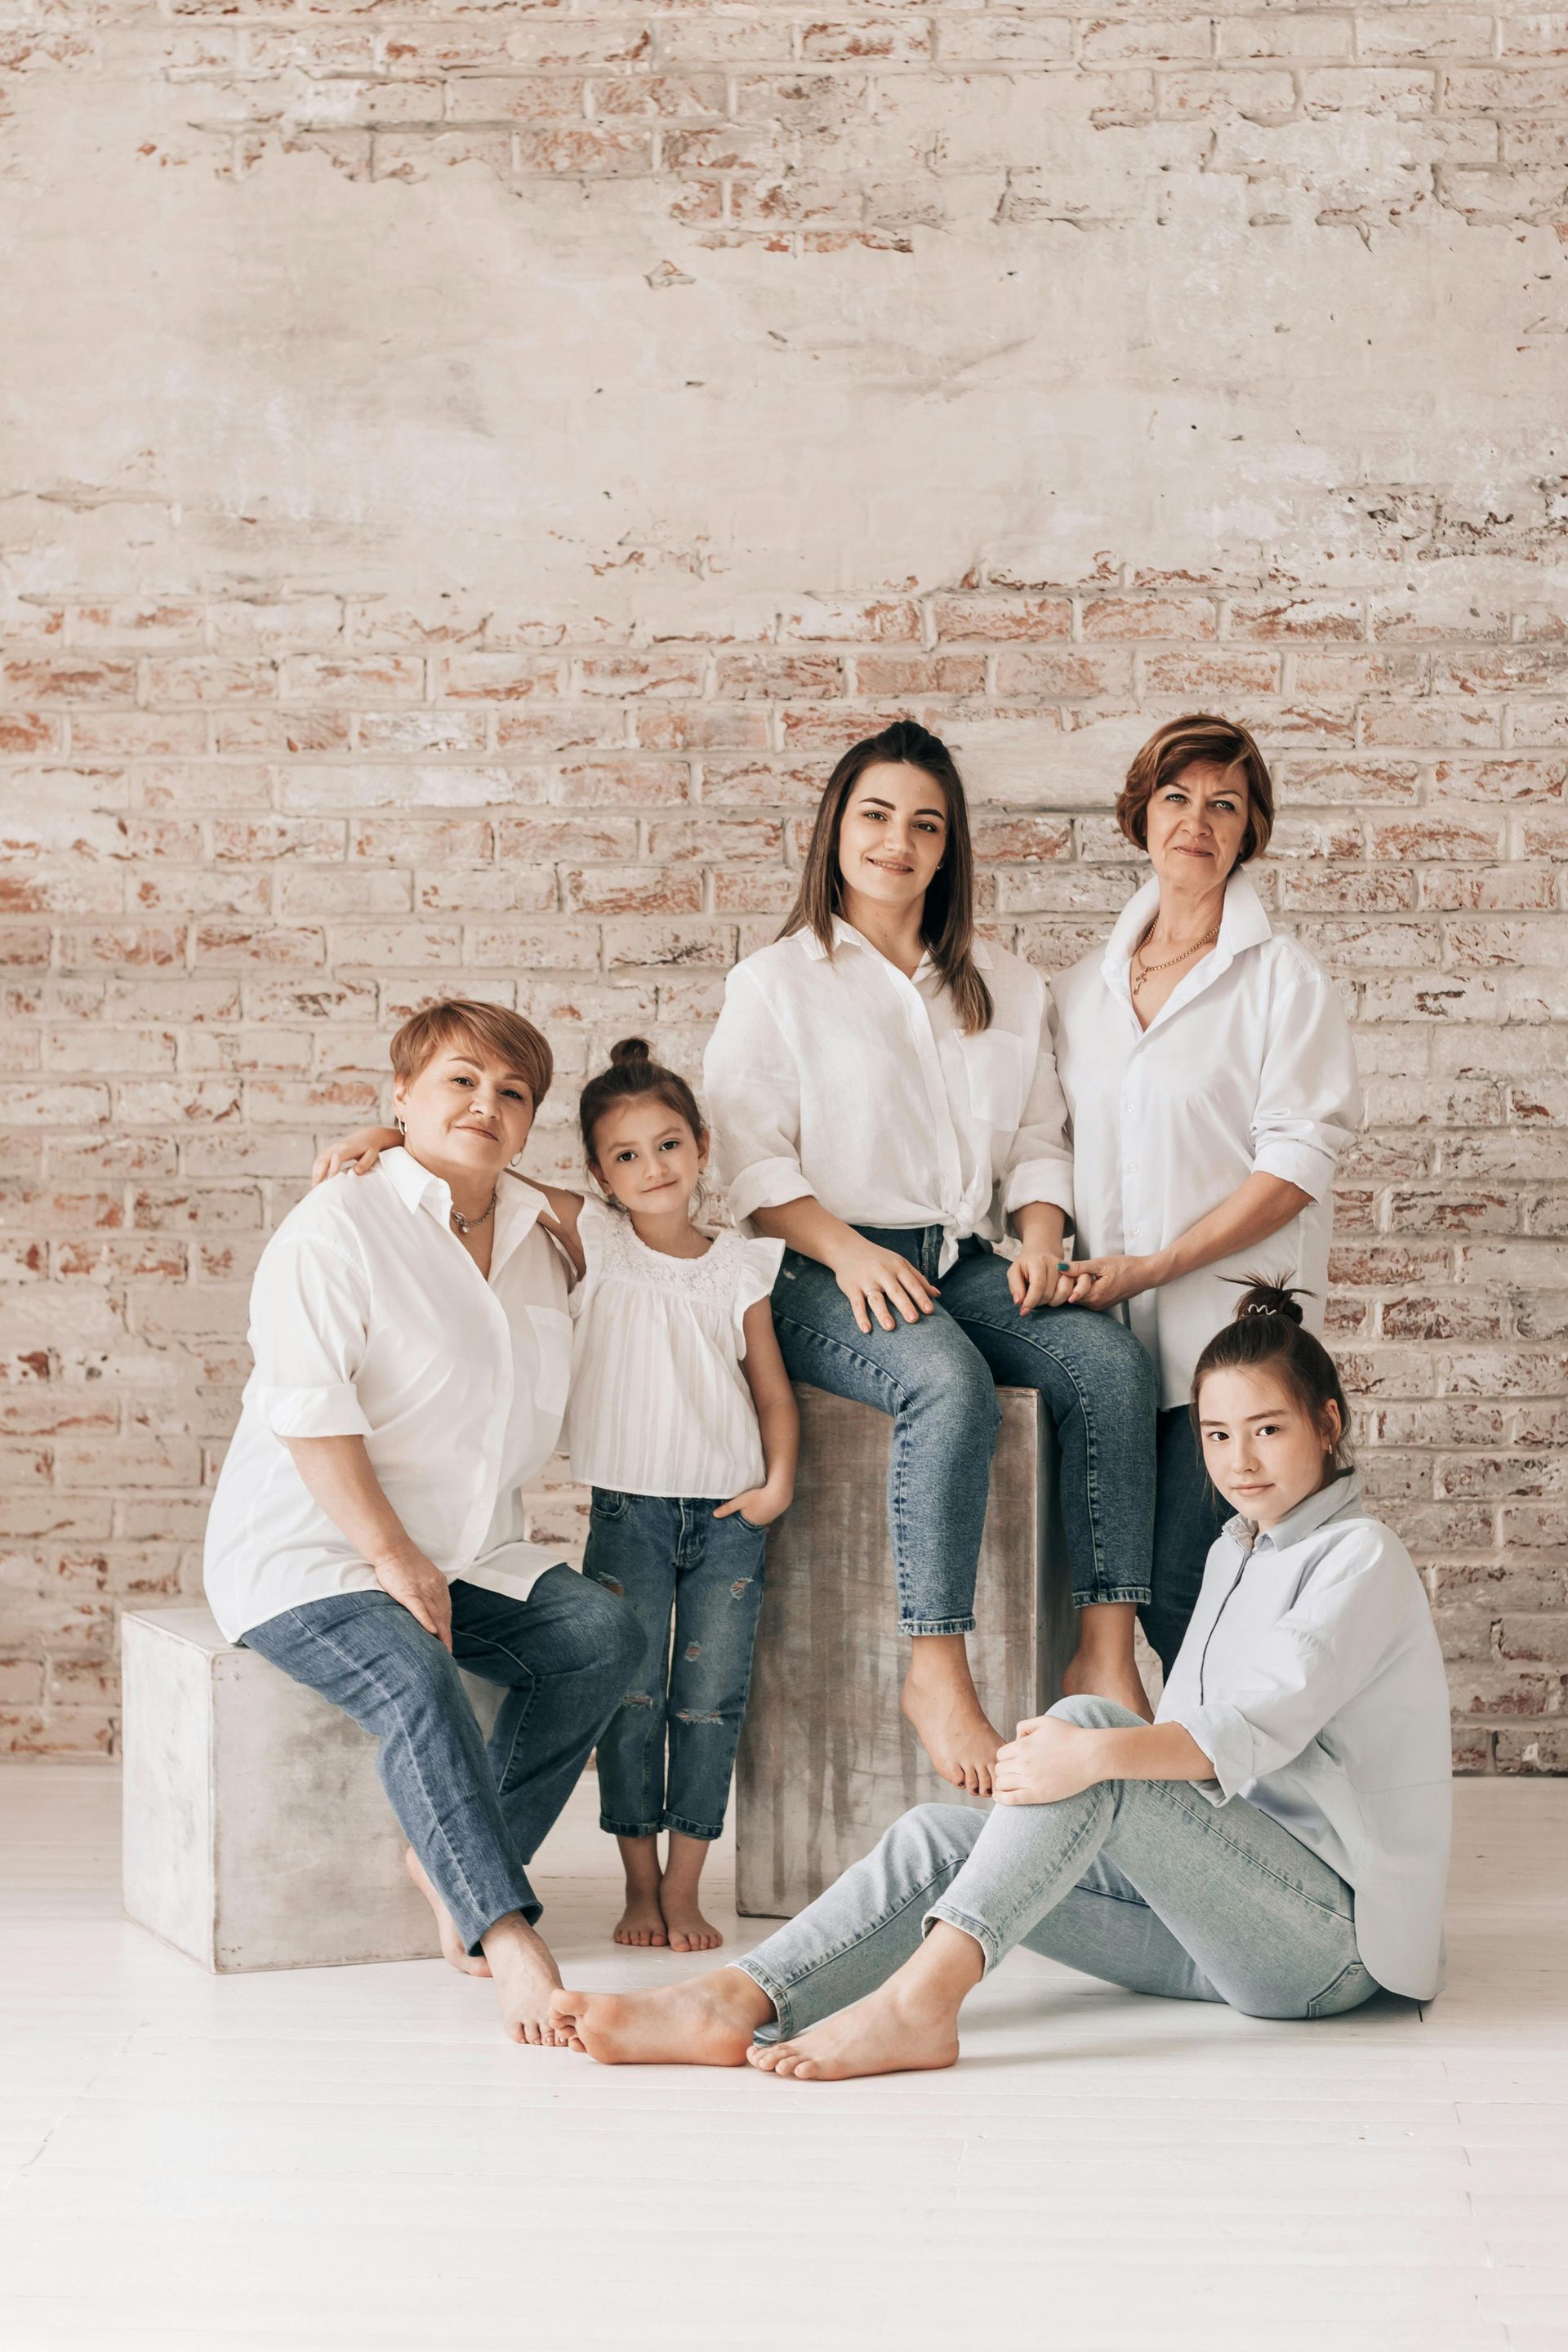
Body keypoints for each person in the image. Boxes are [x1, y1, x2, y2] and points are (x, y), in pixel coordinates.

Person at [547, 1281, 1453, 2078]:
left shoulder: (1359, 1557)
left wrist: (1085, 1749)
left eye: (1268, 1430)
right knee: (943, 1836)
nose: (1239, 1462)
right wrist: (1079, 1764)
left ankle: (922, 2005)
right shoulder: (1234, 1551)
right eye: (1217, 1435)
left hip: (1328, 1949)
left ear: (1328, 1424)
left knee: (1094, 1723)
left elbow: (1250, 1732)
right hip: (1214, 1924)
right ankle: (733, 1999)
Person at [701, 719, 1159, 1789]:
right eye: (875, 814)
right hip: (811, 1266)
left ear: (949, 848)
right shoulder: (776, 983)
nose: (896, 840)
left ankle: (1103, 1645)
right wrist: (847, 1253)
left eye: (925, 823)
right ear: (835, 828)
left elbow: (1043, 1141)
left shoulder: (1004, 983)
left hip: (958, 1259)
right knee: (944, 1381)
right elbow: (746, 1161)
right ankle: (935, 1665)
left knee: (1108, 1363)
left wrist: (1042, 1236)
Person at [203, 998, 643, 2046]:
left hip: (467, 1545)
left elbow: (649, 1224)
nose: (485, 1104)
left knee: (600, 1636)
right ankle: (507, 1936)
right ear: (401, 1096)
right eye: (458, 1081)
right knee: (412, 1670)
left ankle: (450, 1851)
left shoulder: (547, 1240)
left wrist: (470, 1163)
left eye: (511, 1093)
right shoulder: (336, 1226)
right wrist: (390, 1556)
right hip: (312, 1550)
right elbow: (310, 1415)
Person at [1050, 714, 1361, 1675]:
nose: (1198, 820)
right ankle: (1210, 1794)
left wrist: (1160, 1265)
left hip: (1222, 1344)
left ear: (1249, 829)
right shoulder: (1076, 993)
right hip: (1104, 1349)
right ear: (1141, 815)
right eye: (1177, 797)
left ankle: (1257, 1798)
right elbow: (1046, 1152)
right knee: (1132, 1585)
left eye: (1225, 804)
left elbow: (1297, 1165)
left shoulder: (1284, 982)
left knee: (1192, 1580)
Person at [559, 1037, 798, 1954]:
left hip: (732, 1517)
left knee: (709, 1700)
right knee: (631, 1697)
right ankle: (640, 1883)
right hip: (629, 1516)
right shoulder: (597, 1241)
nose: (651, 1168)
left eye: (667, 1145)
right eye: (625, 1155)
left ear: (701, 1146)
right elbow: (484, 1176)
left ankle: (690, 1885)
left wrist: (778, 1483)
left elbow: (770, 1388)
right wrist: (385, 1133)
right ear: (598, 1174)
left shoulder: (742, 1265)